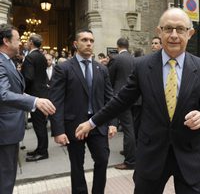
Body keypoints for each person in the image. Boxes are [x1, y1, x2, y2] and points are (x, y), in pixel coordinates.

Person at [75, 8, 200, 194]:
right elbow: (121, 100)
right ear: (159, 31)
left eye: (180, 29)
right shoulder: (142, 66)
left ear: (190, 33)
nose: (174, 35)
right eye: (168, 29)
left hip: (189, 155)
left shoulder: (198, 66)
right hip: (151, 155)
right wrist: (92, 122)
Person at [49, 29, 117, 194]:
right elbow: (56, 101)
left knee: (102, 159)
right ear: (75, 44)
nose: (88, 44)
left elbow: (110, 99)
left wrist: (112, 123)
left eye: (91, 41)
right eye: (84, 40)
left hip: (98, 125)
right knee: (77, 164)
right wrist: (58, 130)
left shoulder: (101, 69)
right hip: (74, 125)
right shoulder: (63, 68)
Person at [0, 24, 55, 194]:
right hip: (5, 129)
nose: (21, 44)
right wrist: (33, 100)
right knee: (6, 177)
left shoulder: (9, 61)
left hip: (9, 127)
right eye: (17, 40)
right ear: (6, 41)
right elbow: (3, 94)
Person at [108, 37, 136, 170]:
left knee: (128, 129)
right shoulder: (134, 59)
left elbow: (109, 78)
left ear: (118, 46)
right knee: (131, 128)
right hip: (135, 98)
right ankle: (128, 152)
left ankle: (130, 161)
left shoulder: (116, 59)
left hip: (121, 97)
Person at [21, 34, 50, 162]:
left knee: (39, 125)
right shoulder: (42, 56)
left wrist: (21, 89)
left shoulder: (30, 57)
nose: (26, 43)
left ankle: (43, 152)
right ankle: (40, 149)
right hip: (42, 93)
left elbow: (29, 77)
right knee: (41, 124)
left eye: (27, 41)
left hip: (35, 95)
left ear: (31, 42)